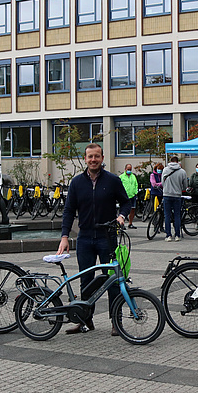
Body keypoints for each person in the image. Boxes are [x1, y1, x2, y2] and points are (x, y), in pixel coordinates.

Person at [57, 143, 131, 334]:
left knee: (113, 280)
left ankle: (117, 322)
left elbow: (126, 202)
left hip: (107, 238)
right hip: (85, 238)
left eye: (97, 156)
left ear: (102, 158)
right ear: (85, 158)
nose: (93, 160)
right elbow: (68, 211)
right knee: (86, 281)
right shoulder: (76, 183)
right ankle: (84, 320)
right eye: (90, 157)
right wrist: (65, 236)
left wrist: (121, 216)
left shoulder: (113, 180)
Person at [161, 156, 188, 242]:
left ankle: (168, 235)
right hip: (177, 195)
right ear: (177, 161)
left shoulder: (165, 170)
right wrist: (180, 189)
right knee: (177, 215)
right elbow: (185, 185)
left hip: (167, 195)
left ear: (170, 161)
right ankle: (177, 235)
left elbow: (162, 182)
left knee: (167, 215)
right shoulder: (182, 172)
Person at [119, 163, 139, 229]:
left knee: (132, 209)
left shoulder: (133, 176)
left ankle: (130, 223)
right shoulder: (121, 177)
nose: (129, 170)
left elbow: (136, 184)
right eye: (128, 169)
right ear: (125, 169)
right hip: (124, 196)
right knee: (123, 210)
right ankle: (122, 224)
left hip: (132, 195)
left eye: (130, 169)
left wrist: (135, 192)